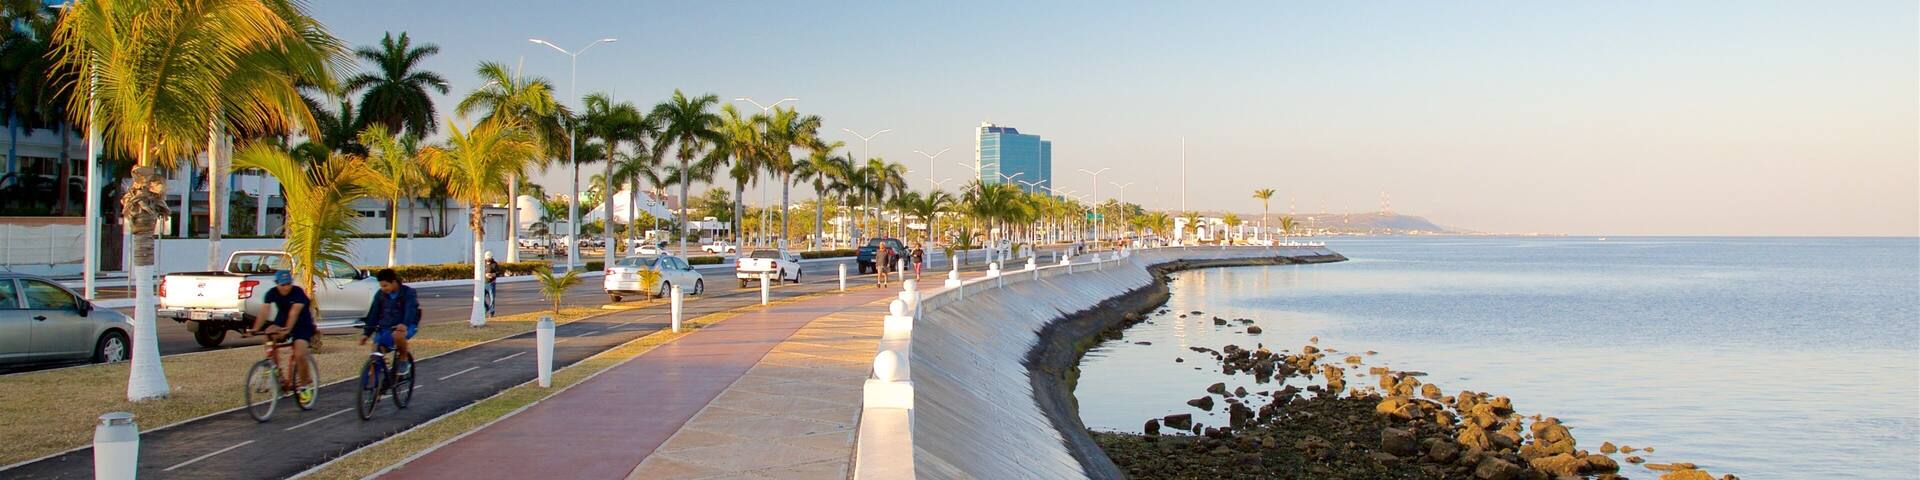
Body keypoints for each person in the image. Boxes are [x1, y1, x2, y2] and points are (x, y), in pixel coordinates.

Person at [252, 271, 317, 401]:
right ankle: (273, 366)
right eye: (282, 285)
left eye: (288, 284)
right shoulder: (271, 293)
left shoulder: (298, 292)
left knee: (299, 354)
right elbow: (264, 312)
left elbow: (294, 313)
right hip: (282, 319)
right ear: (277, 284)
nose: (286, 287)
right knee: (268, 334)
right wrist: (255, 328)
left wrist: (287, 330)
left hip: (302, 323)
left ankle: (304, 387)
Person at [360, 269, 421, 376]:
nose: (383, 289)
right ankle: (377, 387)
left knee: (397, 336)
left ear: (394, 282)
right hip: (386, 326)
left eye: (385, 286)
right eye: (381, 286)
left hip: (407, 324)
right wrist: (366, 333)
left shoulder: (408, 292)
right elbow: (373, 313)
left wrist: (404, 324)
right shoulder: (380, 295)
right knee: (376, 350)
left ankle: (403, 359)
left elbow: (410, 310)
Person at [483, 252, 500, 317]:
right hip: (484, 283)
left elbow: (498, 273)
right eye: (487, 258)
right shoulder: (483, 263)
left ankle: (491, 311)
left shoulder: (494, 264)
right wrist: (485, 275)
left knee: (492, 298)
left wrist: (492, 275)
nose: (488, 260)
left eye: (489, 258)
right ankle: (486, 307)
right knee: (482, 298)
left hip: (491, 284)